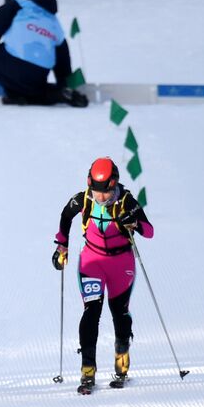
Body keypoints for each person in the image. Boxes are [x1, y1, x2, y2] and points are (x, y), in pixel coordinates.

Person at [53, 158, 154, 395]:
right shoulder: (84, 198)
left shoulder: (126, 200)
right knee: (91, 312)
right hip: (92, 261)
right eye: (96, 192)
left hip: (121, 263)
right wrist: (62, 247)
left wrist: (135, 223)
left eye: (105, 193)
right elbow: (65, 216)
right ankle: (87, 369)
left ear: (114, 184)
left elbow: (149, 231)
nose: (100, 197)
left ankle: (122, 358)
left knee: (119, 312)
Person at [0, 0, 89, 107]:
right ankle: (58, 94)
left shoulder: (19, 5)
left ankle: (15, 94)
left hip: (12, 65)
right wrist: (65, 86)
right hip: (36, 76)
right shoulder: (55, 25)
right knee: (35, 89)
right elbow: (63, 65)